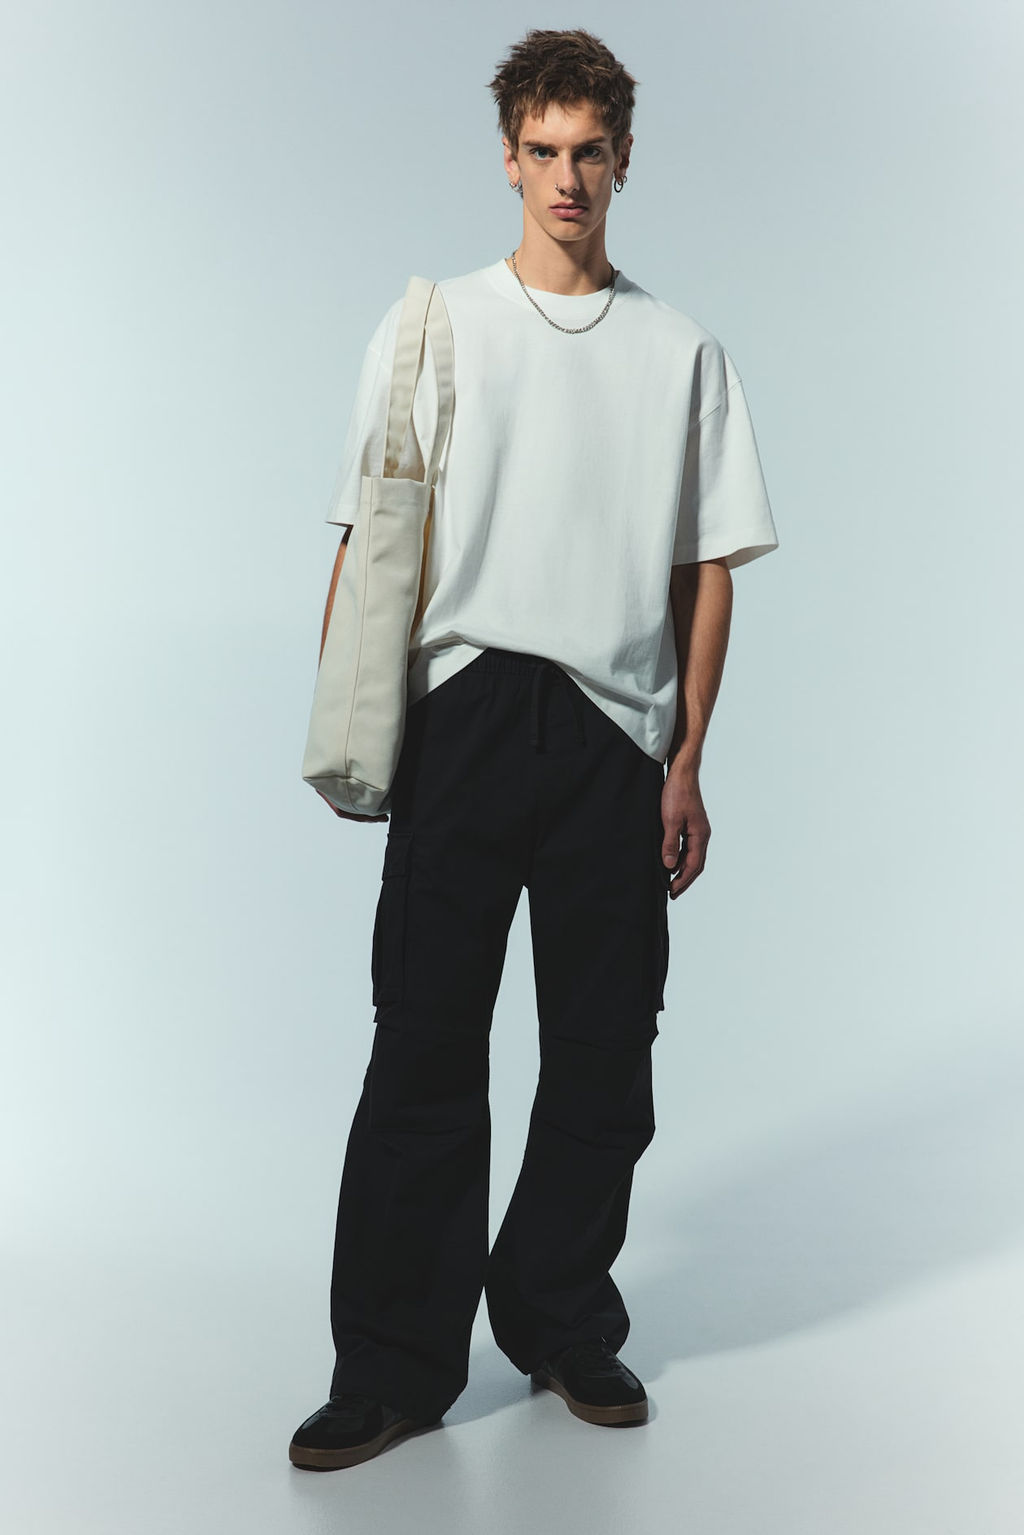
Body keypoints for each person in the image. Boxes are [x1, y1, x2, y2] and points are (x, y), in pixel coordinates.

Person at [289, 27, 778, 1471]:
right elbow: (368, 535)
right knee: (424, 1045)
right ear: (508, 158)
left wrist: (686, 760)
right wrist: (353, 721)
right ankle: (392, 1366)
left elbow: (708, 568)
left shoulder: (681, 352)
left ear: (624, 160)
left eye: (591, 153)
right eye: (544, 151)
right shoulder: (435, 322)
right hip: (466, 711)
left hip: (615, 734)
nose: (568, 178)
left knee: (606, 1057)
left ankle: (560, 1316)